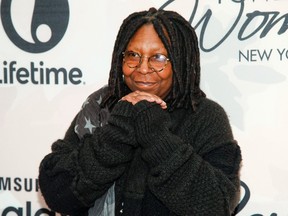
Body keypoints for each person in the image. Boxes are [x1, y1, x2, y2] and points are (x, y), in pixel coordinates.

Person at [38, 7, 242, 216]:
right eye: (133, 55)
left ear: (180, 62)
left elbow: (218, 205)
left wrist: (154, 132)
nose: (143, 68)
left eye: (159, 58)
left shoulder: (205, 116)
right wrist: (118, 130)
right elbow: (57, 192)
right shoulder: (100, 106)